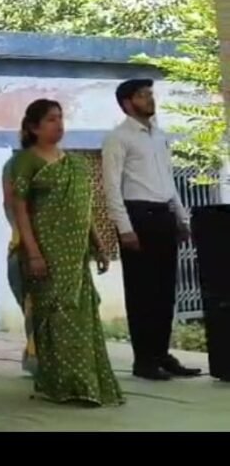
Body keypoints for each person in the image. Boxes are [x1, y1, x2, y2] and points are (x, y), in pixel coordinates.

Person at [8, 99, 123, 406]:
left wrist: (99, 245)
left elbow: (83, 210)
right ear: (33, 127)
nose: (58, 125)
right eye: (50, 119)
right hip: (47, 252)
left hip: (76, 255)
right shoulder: (25, 162)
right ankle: (59, 384)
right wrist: (33, 253)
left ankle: (87, 384)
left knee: (82, 317)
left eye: (60, 118)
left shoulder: (74, 163)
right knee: (56, 317)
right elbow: (19, 210)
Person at [101, 79, 201, 381]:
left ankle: (161, 353)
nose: (149, 99)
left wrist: (181, 218)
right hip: (138, 216)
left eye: (150, 94)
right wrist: (125, 227)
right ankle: (143, 359)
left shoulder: (159, 136)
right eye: (143, 95)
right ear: (127, 103)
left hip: (163, 215)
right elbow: (111, 187)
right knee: (141, 291)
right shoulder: (118, 138)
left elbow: (168, 180)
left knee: (164, 290)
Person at [3, 154, 37, 375]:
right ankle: (36, 357)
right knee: (32, 307)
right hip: (23, 251)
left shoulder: (65, 163)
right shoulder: (15, 166)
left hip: (60, 249)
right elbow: (11, 206)